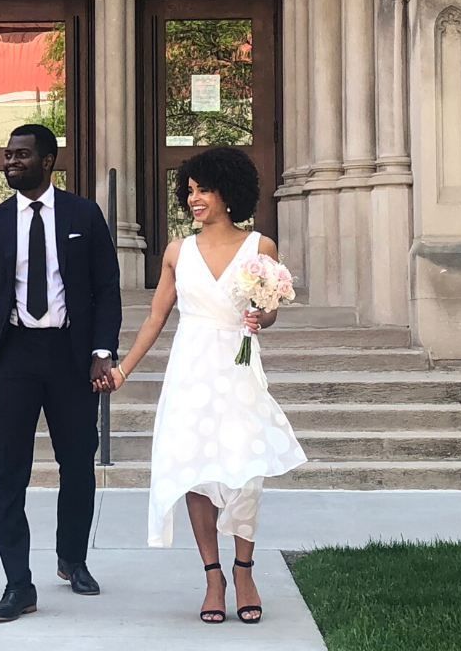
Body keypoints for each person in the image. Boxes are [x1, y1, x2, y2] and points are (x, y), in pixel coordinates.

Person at [110, 146, 306, 625]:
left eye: (205, 190)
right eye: (191, 190)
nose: (195, 199)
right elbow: (156, 317)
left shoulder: (260, 247)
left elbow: (269, 311)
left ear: (229, 192)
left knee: (246, 471)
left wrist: (262, 317)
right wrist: (122, 370)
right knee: (195, 471)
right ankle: (213, 576)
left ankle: (244, 570)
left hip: (239, 370)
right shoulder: (177, 251)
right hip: (191, 372)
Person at [0, 124, 122, 623]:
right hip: (12, 356)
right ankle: (18, 584)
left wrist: (102, 351)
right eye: (8, 155)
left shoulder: (83, 215)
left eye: (22, 155)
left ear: (48, 160)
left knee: (77, 463)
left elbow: (107, 287)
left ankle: (73, 558)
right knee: (8, 473)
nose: (10, 162)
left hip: (70, 355)